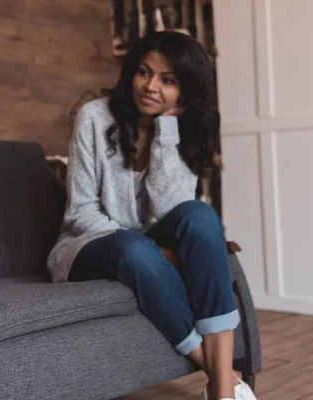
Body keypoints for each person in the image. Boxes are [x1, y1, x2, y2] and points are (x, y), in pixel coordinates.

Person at [47, 31, 255, 400]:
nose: (150, 86)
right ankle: (224, 375)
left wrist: (167, 131)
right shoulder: (94, 116)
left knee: (200, 216)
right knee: (134, 248)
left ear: (187, 91)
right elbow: (80, 211)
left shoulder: (187, 129)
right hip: (86, 246)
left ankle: (220, 393)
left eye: (168, 80)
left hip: (145, 247)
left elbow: (169, 210)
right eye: (144, 72)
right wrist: (147, 248)